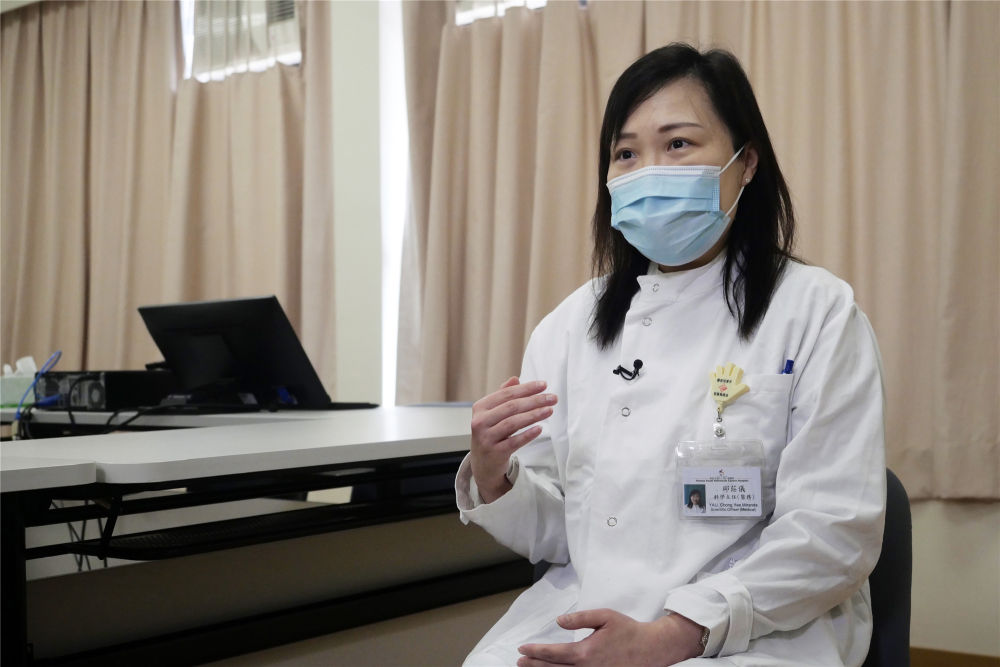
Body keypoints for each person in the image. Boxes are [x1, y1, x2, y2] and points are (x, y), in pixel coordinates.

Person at [455, 43, 886, 667]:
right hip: (591, 609)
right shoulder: (572, 325)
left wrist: (675, 634)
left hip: (758, 628)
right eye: (626, 154)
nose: (649, 171)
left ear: (746, 163)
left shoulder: (816, 312)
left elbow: (833, 530)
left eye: (678, 144)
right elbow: (557, 535)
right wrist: (496, 476)